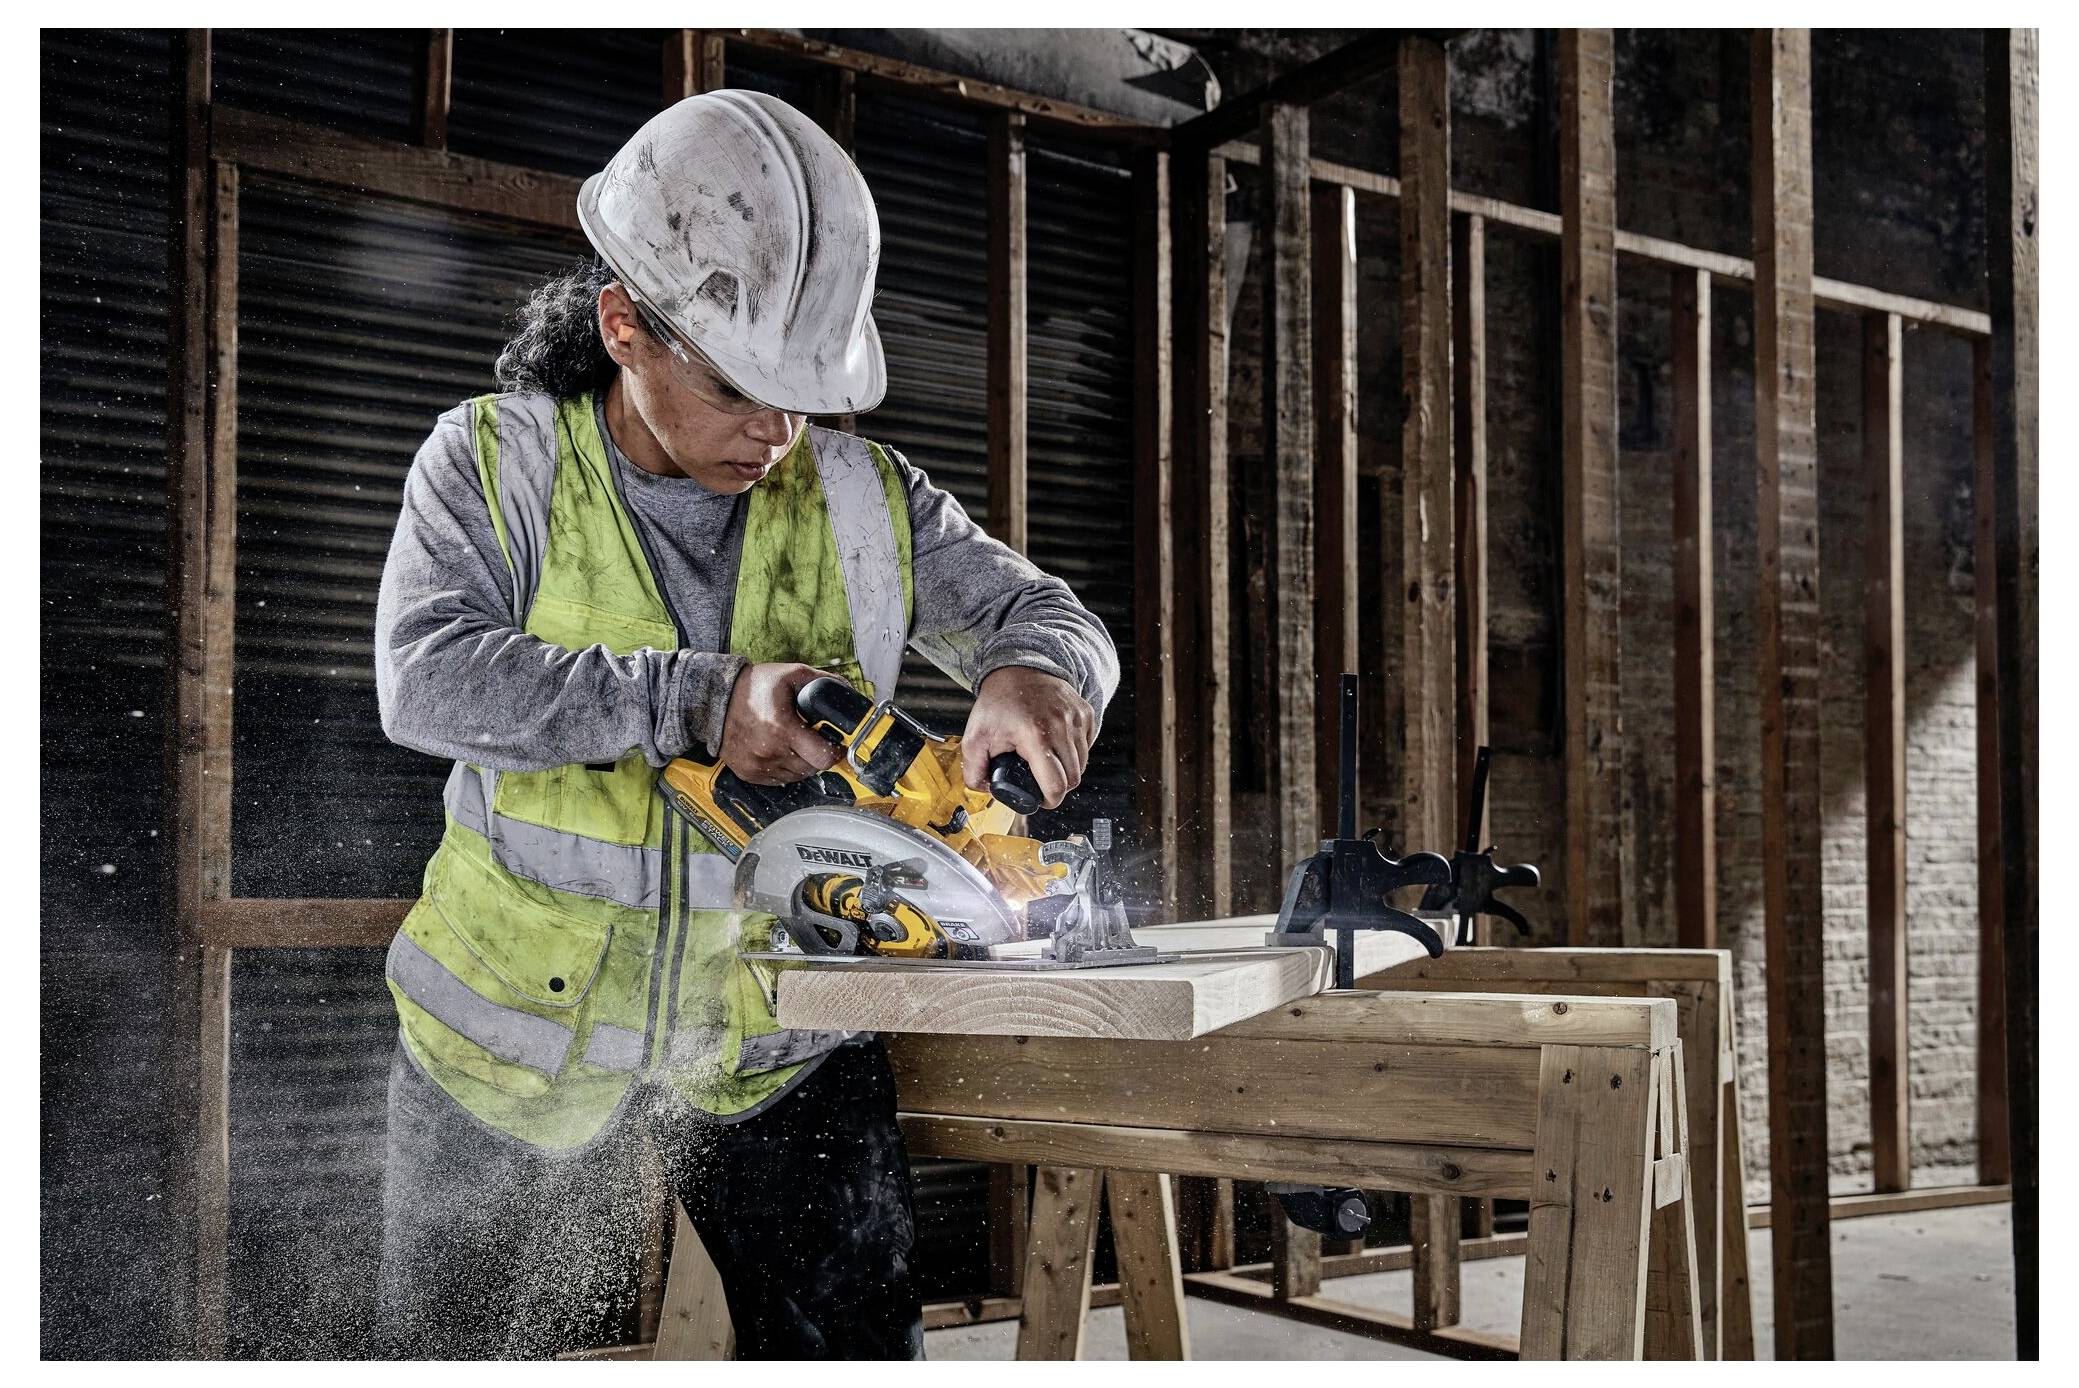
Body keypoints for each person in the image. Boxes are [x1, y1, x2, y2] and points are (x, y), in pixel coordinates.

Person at [370, 89, 1118, 1360]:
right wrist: (701, 699)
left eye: (802, 394)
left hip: (776, 1044)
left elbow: (1048, 612)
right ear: (624, 327)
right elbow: (426, 676)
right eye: (738, 387)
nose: (776, 434)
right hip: (509, 1048)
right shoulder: (490, 464)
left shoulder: (868, 499)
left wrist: (1043, 669)